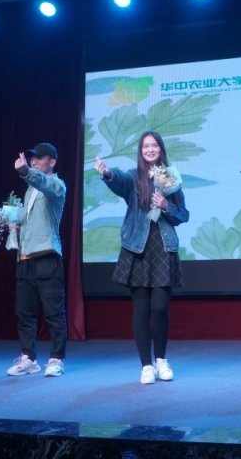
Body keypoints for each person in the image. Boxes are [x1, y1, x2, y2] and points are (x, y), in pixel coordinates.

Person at [95, 131, 189, 384]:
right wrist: (107, 174)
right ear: (140, 150)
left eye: (154, 145)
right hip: (137, 247)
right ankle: (146, 365)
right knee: (141, 308)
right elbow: (118, 180)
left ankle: (162, 360)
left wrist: (166, 206)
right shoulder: (133, 176)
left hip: (164, 247)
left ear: (161, 149)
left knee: (159, 307)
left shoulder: (170, 177)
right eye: (146, 146)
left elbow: (183, 215)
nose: (150, 149)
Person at [5, 143, 68, 378]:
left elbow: (44, 183)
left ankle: (56, 359)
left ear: (52, 162)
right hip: (25, 257)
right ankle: (28, 358)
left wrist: (25, 172)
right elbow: (30, 220)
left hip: (47, 256)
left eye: (39, 158)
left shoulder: (56, 185)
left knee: (53, 312)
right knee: (25, 313)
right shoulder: (29, 190)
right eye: (32, 158)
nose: (33, 161)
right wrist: (15, 224)